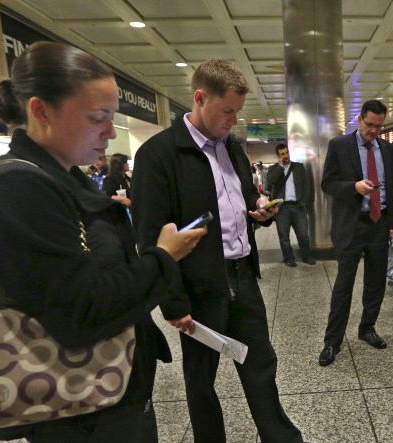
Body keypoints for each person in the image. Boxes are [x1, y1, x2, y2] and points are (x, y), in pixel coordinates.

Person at [0, 41, 205, 442]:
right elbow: (81, 311)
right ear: (41, 110)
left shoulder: (64, 178)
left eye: (112, 116)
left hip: (107, 392)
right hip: (75, 408)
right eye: (98, 117)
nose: (111, 132)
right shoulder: (19, 187)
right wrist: (164, 257)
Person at [131, 59, 304, 443]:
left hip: (242, 276)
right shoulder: (159, 155)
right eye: (227, 111)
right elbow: (150, 238)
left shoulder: (232, 149)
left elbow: (241, 198)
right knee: (201, 379)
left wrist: (257, 209)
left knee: (261, 363)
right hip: (198, 285)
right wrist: (173, 302)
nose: (232, 120)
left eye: (237, 113)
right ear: (199, 98)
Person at [317, 99, 393, 366]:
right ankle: (332, 341)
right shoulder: (339, 146)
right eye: (370, 125)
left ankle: (367, 328)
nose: (374, 131)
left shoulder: (388, 149)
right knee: (344, 284)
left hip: (379, 225)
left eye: (379, 126)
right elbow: (328, 184)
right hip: (352, 225)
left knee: (376, 282)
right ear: (359, 119)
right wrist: (353, 187)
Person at [264, 143, 316, 267]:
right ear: (278, 156)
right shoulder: (274, 169)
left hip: (298, 206)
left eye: (287, 153)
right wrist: (280, 166)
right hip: (282, 208)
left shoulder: (298, 167)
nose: (286, 156)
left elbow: (306, 185)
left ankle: (306, 256)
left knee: (303, 235)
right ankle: (289, 258)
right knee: (284, 237)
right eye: (282, 154)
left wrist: (303, 201)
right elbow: (269, 183)